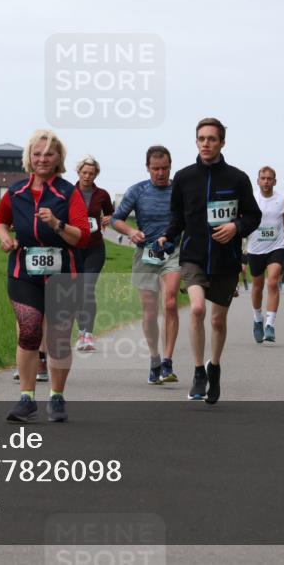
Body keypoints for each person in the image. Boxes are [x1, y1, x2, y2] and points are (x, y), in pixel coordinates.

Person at [158, 118, 261, 404]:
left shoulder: (237, 178)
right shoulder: (184, 177)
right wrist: (167, 237)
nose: (206, 143)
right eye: (201, 138)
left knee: (217, 320)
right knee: (198, 309)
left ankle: (213, 367)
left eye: (212, 139)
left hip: (226, 260)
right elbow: (177, 218)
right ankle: (197, 371)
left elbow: (253, 215)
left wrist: (236, 228)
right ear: (196, 142)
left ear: (222, 143)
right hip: (193, 256)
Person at [0, 130, 90, 423]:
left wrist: (58, 224)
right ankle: (26, 398)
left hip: (62, 272)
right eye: (37, 153)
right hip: (24, 271)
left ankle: (57, 398)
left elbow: (82, 237)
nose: (42, 159)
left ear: (58, 158)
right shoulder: (17, 191)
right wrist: (4, 238)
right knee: (30, 329)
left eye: (49, 154)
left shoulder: (68, 192)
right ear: (29, 157)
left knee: (58, 337)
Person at [111, 146, 182, 385]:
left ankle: (168, 362)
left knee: (170, 302)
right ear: (147, 168)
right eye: (155, 169)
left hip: (173, 252)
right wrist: (131, 231)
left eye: (164, 168)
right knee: (150, 312)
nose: (160, 173)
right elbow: (115, 219)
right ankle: (154, 358)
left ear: (170, 167)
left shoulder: (179, 190)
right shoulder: (138, 190)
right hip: (146, 253)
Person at [247, 167, 284, 343]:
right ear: (258, 180)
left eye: (270, 179)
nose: (266, 181)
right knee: (257, 286)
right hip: (255, 248)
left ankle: (270, 324)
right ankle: (257, 319)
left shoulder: (282, 199)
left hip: (276, 247)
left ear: (275, 181)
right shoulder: (251, 198)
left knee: (273, 281)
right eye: (263, 178)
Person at [73, 156, 114, 352]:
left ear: (96, 174)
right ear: (78, 173)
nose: (87, 176)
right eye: (84, 173)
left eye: (91, 173)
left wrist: (109, 218)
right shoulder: (68, 192)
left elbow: (111, 214)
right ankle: (79, 332)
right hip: (73, 248)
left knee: (87, 288)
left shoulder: (102, 195)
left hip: (95, 249)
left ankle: (87, 334)